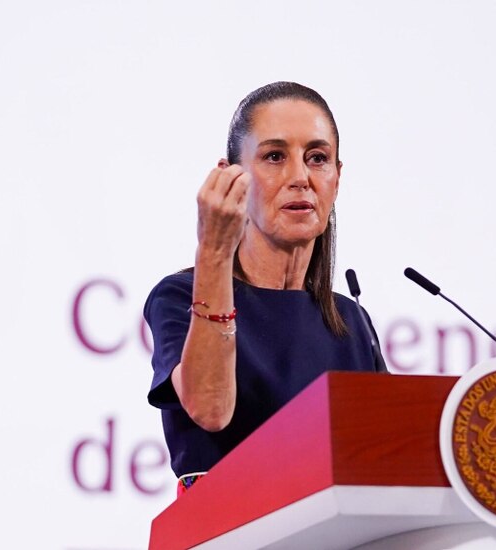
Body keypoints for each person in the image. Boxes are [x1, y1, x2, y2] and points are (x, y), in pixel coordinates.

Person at [144, 82, 385, 495]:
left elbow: (383, 458)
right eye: (274, 157)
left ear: (337, 178)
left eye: (318, 158)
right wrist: (214, 252)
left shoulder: (351, 322)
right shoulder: (179, 296)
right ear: (230, 178)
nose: (300, 177)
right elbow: (211, 410)